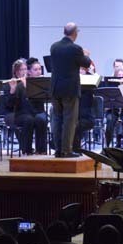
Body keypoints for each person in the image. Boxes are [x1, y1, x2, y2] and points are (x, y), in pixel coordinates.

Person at [50, 22, 92, 158]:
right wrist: (85, 54)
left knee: (57, 119)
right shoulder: (75, 49)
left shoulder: (54, 47)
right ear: (75, 33)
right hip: (69, 89)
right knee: (69, 119)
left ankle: (58, 150)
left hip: (55, 88)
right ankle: (66, 150)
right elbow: (86, 63)